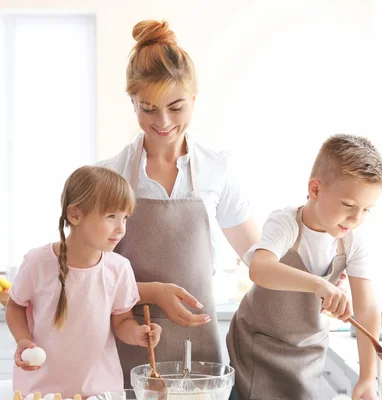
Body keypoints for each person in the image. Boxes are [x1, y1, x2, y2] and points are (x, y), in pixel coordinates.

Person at [96, 20, 261, 386]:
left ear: (195, 97)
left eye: (176, 106)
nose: (163, 122)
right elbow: (88, 277)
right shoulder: (109, 177)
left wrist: (316, 276)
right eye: (148, 108)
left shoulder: (218, 170)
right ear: (132, 102)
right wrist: (153, 294)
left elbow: (258, 258)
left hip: (199, 349)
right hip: (130, 343)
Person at [227, 134, 382, 400]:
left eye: (366, 209)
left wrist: (368, 378)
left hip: (308, 355)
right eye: (348, 205)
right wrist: (319, 284)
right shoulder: (286, 223)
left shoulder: (353, 239)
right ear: (315, 189)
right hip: (257, 351)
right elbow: (260, 268)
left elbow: (367, 309)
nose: (356, 218)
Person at [5, 166, 162, 398]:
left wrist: (137, 334)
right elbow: (15, 306)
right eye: (111, 217)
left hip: (100, 391)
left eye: (125, 218)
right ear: (75, 214)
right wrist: (23, 340)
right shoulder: (38, 262)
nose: (121, 229)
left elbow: (122, 321)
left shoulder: (118, 268)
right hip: (42, 390)